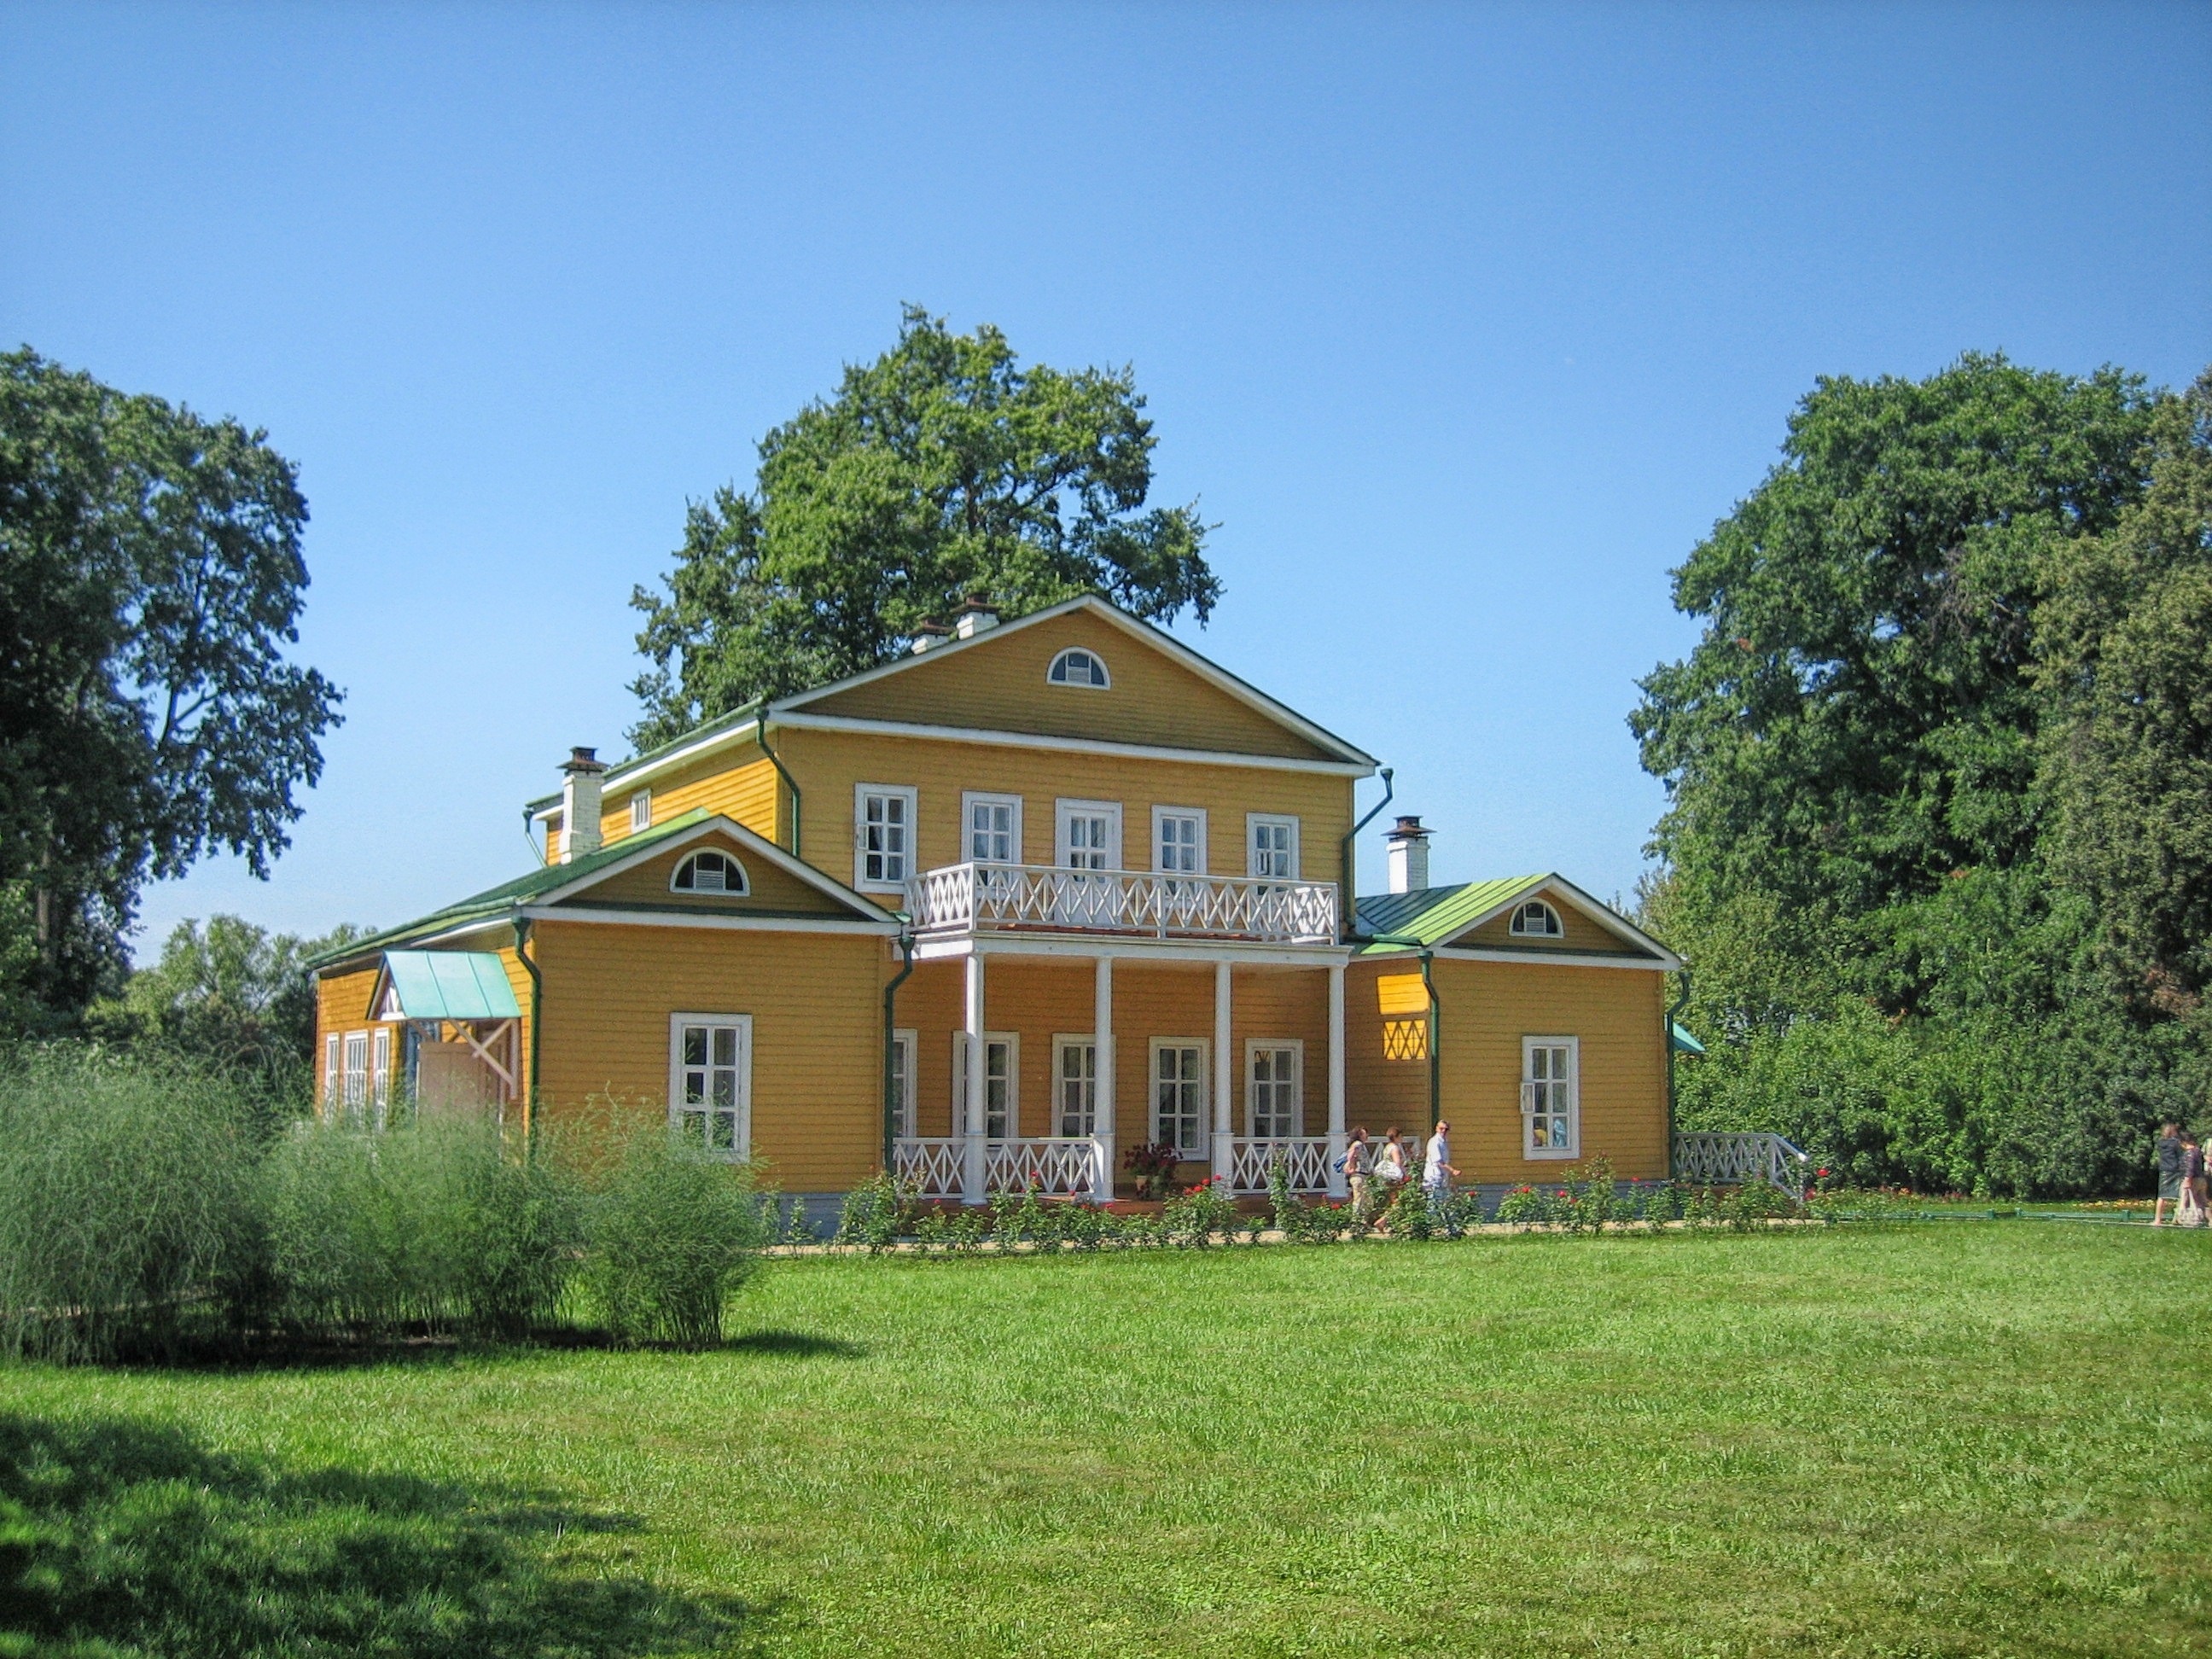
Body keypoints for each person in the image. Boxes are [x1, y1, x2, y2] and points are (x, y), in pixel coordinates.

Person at [2154, 1122, 2183, 1226]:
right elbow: (2180, 1156)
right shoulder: (2176, 1143)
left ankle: (2157, 1220)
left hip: (2164, 1170)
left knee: (2162, 1196)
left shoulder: (2160, 1142)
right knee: (2180, 1196)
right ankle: (2178, 1219)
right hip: (2175, 1170)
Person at [1423, 1120, 1459, 1203]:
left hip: (1442, 1178)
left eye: (1446, 1129)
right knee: (1433, 1205)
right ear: (1436, 1128)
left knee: (1442, 1204)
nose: (1443, 1131)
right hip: (1433, 1178)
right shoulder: (1435, 1142)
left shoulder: (1444, 1142)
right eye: (1441, 1128)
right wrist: (1453, 1170)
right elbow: (1439, 1162)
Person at [1342, 1127, 1371, 1224]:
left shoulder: (1361, 1145)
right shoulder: (1358, 1144)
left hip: (1363, 1175)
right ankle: (1356, 1222)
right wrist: (1352, 1165)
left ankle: (1363, 1220)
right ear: (1359, 1135)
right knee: (1359, 1199)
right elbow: (1351, 1155)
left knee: (1365, 1199)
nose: (1367, 1135)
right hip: (1359, 1175)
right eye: (1364, 1134)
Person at [2180, 1130, 2207, 1228]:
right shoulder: (2198, 1151)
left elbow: (2190, 1167)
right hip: (2202, 1179)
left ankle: (2190, 1219)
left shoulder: (2189, 1153)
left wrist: (2187, 1179)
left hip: (2193, 1180)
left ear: (2184, 1142)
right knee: (2203, 1202)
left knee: (2189, 1201)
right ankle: (2210, 1220)